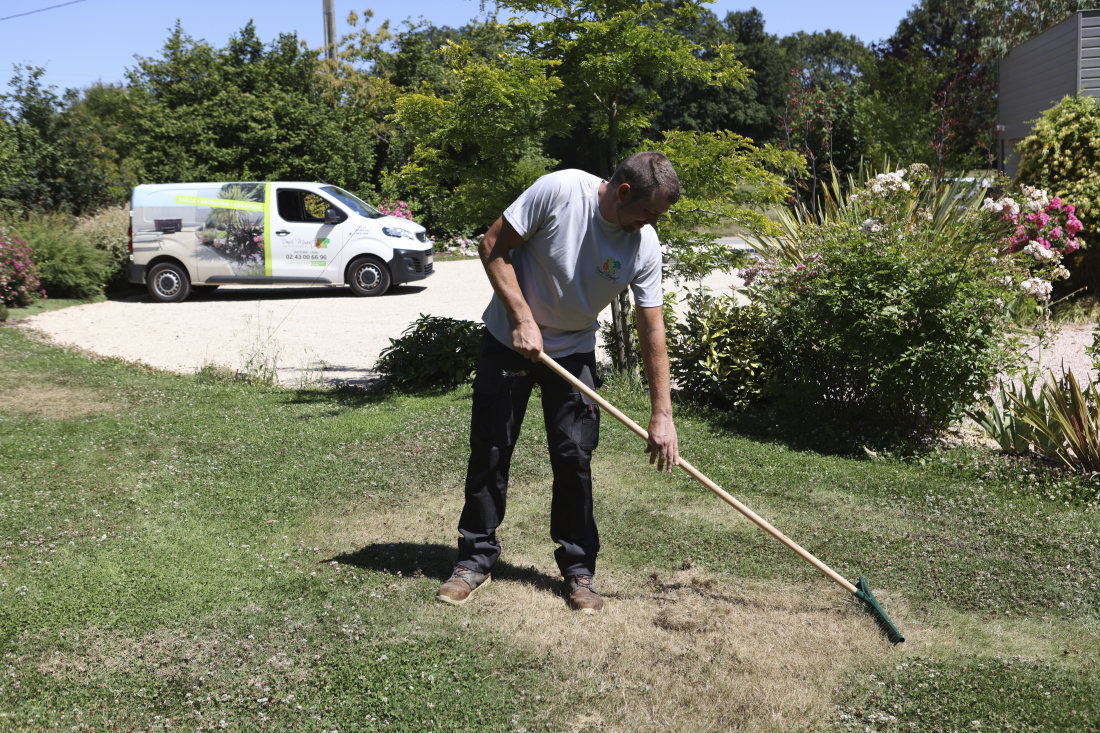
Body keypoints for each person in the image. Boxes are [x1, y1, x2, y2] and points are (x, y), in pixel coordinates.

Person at [435, 151, 681, 614]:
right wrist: (522, 318)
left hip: (573, 352)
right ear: (624, 192)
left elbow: (652, 330)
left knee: (574, 459)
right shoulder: (561, 190)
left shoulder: (644, 243)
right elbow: (492, 246)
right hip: (509, 340)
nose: (651, 223)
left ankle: (578, 570)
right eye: (649, 212)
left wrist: (661, 413)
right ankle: (473, 561)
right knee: (491, 446)